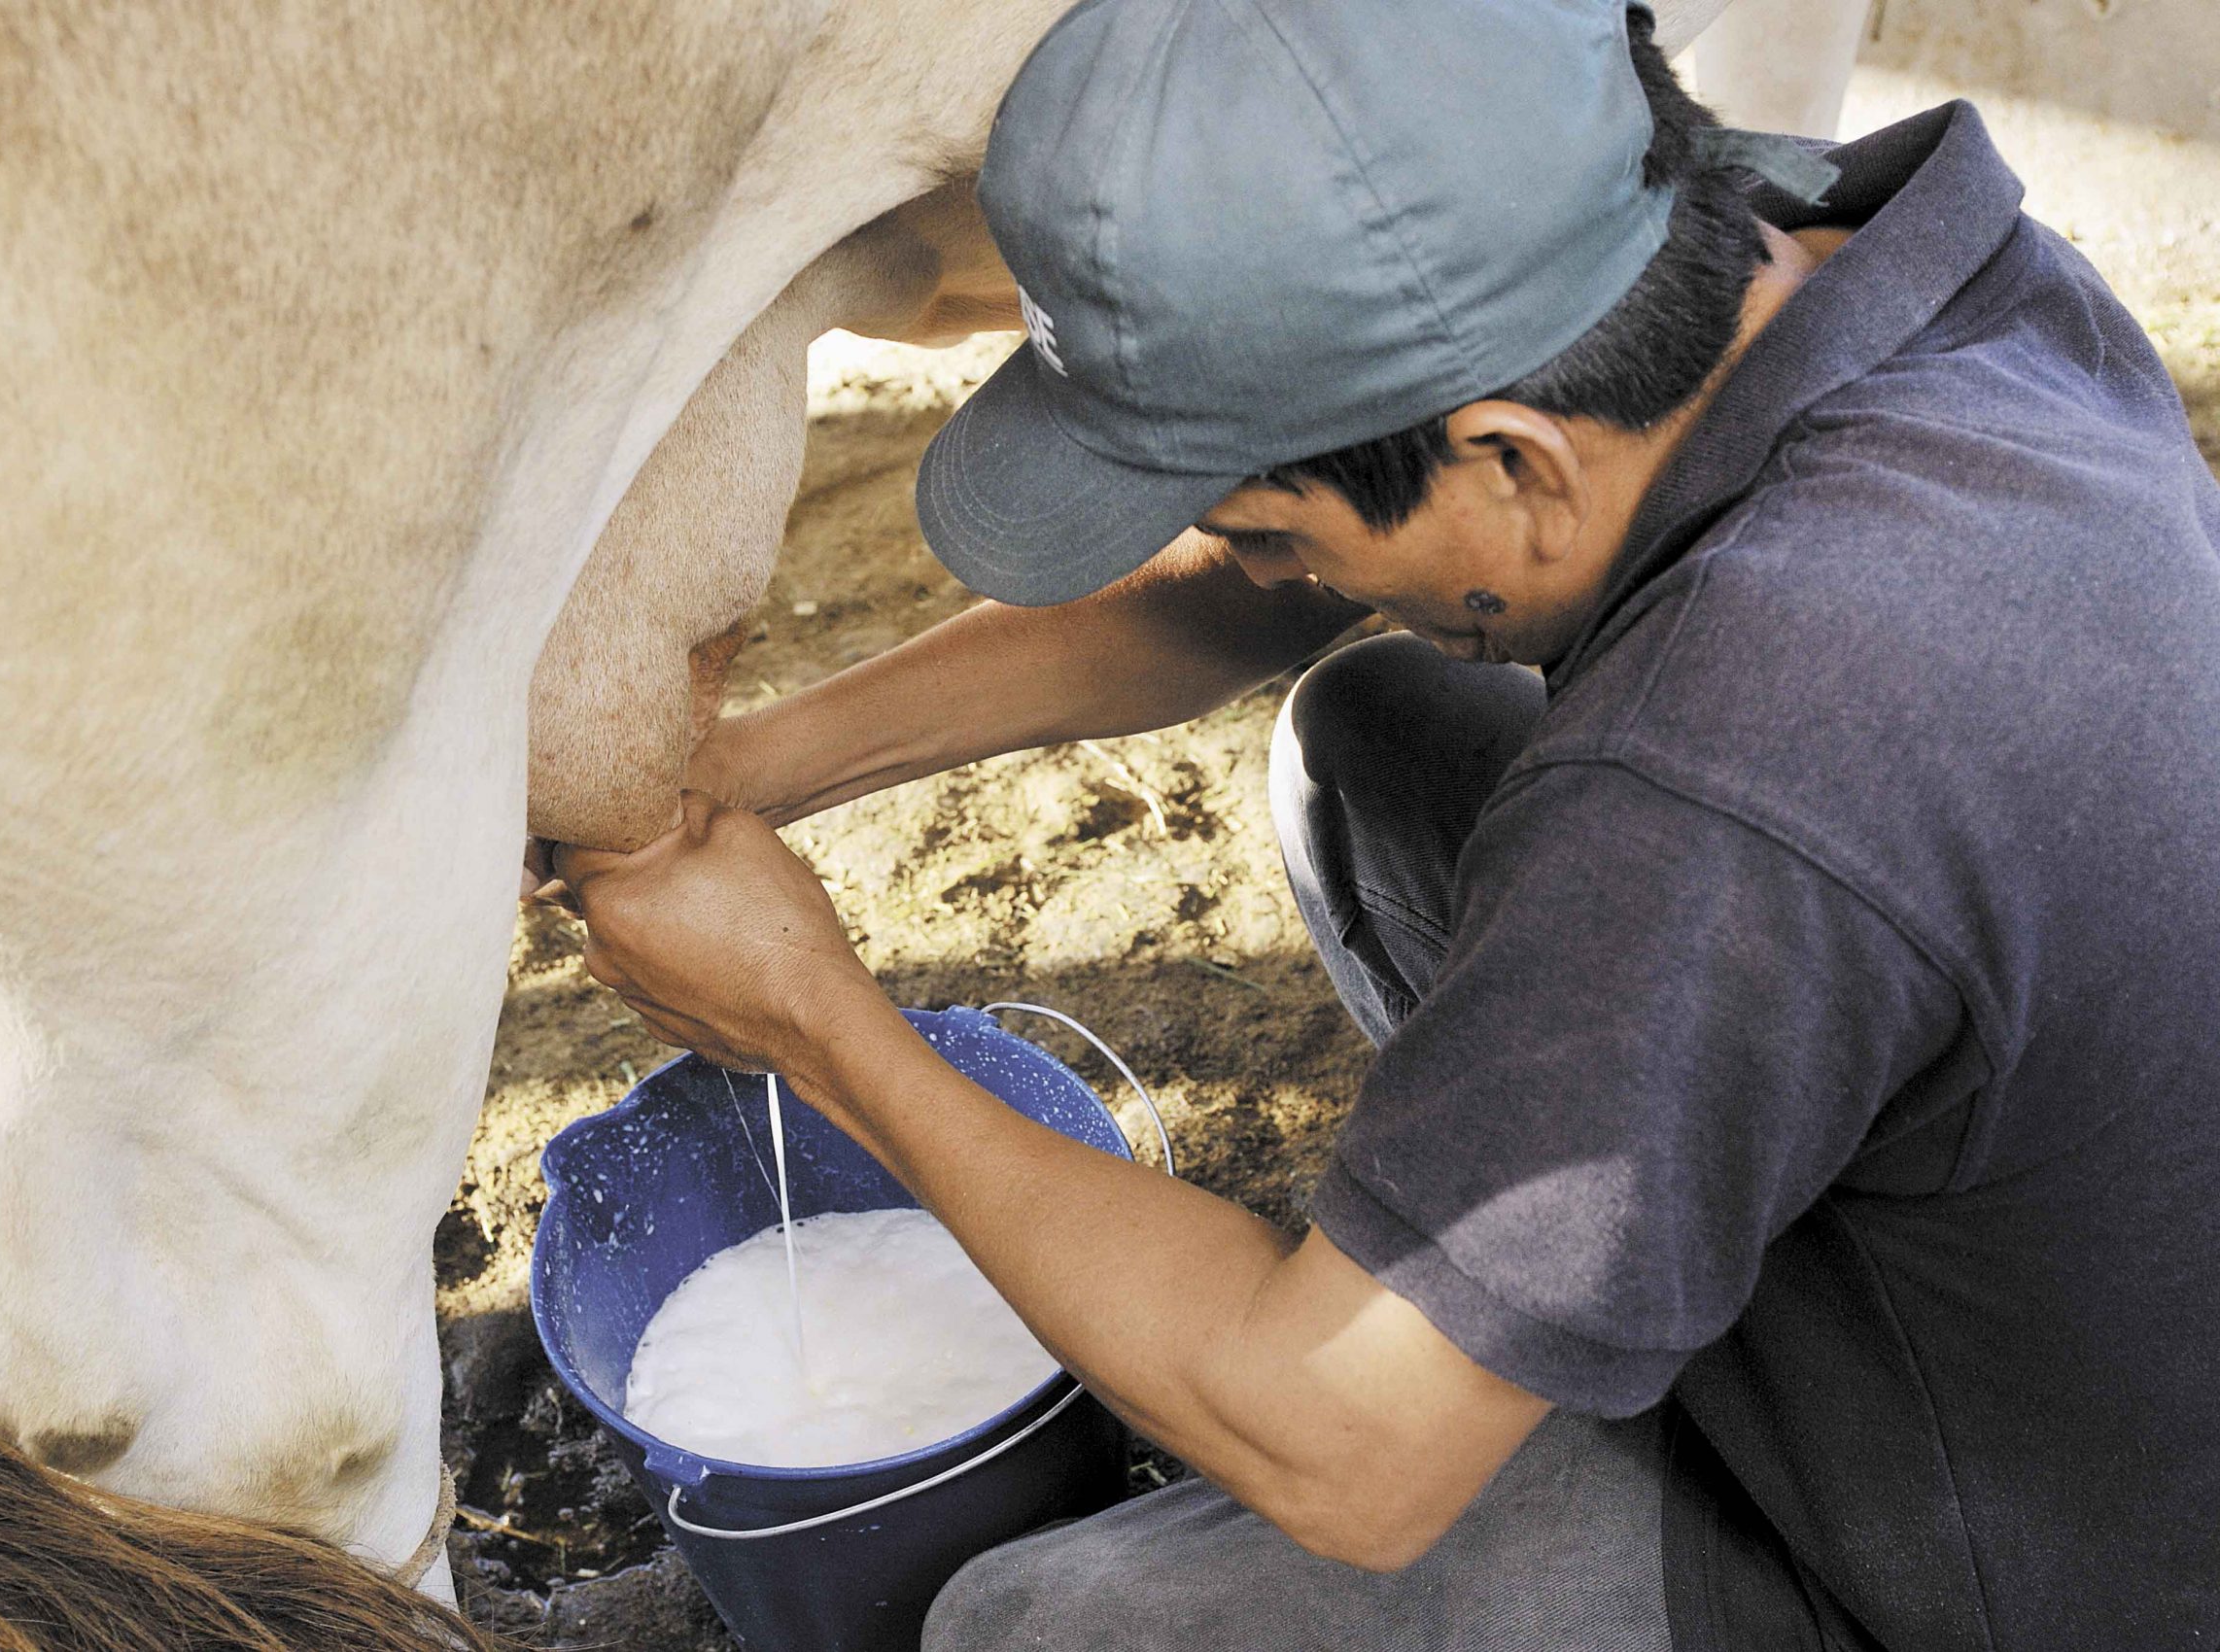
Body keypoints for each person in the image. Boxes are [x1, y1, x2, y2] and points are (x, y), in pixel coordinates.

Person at [547, 0, 2220, 1646]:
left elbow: (1343, 1453)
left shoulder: (1728, 771)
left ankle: (1516, 1344)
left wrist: (815, 1022)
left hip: (2021, 1555)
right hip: (2044, 1223)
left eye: (1277, 528)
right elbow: (1254, 589)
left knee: (1032, 1622)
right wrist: (755, 771)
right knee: (1374, 742)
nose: (1271, 570)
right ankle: (1546, 1278)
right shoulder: (1825, 265)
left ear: (1512, 460)